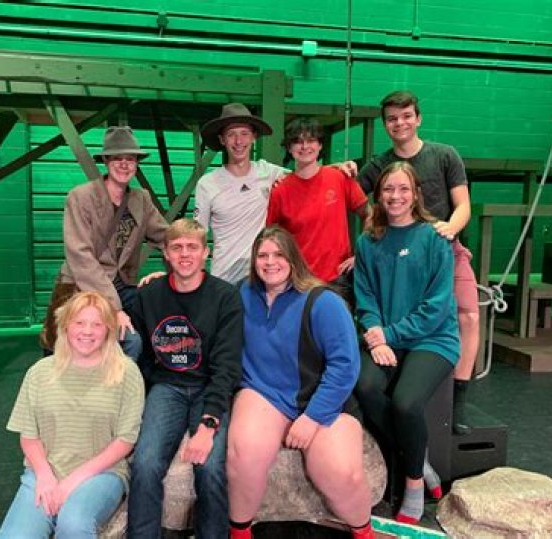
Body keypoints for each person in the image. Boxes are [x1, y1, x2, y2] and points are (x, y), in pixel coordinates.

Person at [227, 225, 375, 539]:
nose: (270, 262)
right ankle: (239, 532)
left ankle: (363, 531)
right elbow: (202, 296)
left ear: (293, 258)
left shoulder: (324, 301)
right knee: (245, 456)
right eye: (262, 255)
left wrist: (312, 418)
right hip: (264, 393)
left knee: (340, 473)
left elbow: (345, 365)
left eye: (278, 254)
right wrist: (165, 280)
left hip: (322, 400)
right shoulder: (242, 294)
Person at [357, 90, 479, 434]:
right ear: (385, 124)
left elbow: (463, 205)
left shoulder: (444, 155)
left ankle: (459, 396)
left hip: (443, 244)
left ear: (418, 118)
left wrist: (448, 230)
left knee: (468, 315)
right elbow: (350, 192)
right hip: (400, 249)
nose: (400, 123)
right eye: (392, 118)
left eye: (406, 116)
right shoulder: (379, 165)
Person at [353, 161, 460, 524]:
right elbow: (365, 297)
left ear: (416, 194)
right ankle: (417, 452)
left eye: (403, 189)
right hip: (386, 336)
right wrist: (375, 334)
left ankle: (413, 481)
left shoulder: (435, 238)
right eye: (388, 189)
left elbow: (437, 306)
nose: (395, 196)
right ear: (378, 195)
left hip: (432, 337)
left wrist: (389, 335)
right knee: (365, 386)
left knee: (405, 402)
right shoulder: (368, 242)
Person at [127, 218, 243, 539]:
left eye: (192, 247)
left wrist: (208, 424)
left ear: (205, 252)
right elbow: (135, 344)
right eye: (177, 247)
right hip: (167, 387)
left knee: (210, 468)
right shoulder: (149, 295)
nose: (185, 254)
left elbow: (227, 366)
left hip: (209, 387)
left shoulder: (225, 297)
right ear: (165, 253)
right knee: (146, 464)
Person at [0, 291, 145, 538]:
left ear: (108, 330)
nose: (87, 331)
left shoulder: (126, 373)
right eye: (79, 323)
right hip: (45, 471)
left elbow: (125, 441)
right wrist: (44, 476)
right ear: (66, 326)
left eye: (97, 324)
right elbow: (29, 436)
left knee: (74, 524)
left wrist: (71, 482)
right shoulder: (39, 373)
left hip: (102, 473)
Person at [40, 125, 169, 360]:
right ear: (106, 161)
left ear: (136, 163)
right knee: (129, 341)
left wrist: (173, 270)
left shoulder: (141, 199)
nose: (124, 164)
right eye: (117, 158)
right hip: (82, 286)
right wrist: (114, 309)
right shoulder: (81, 197)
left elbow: (167, 237)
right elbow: (81, 256)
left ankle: (146, 378)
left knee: (161, 320)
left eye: (130, 159)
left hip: (122, 285)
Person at [266, 117, 369, 308]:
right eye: (298, 141)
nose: (305, 146)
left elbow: (369, 214)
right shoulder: (280, 190)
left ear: (320, 145)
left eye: (311, 140)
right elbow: (271, 238)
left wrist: (361, 254)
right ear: (289, 148)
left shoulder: (339, 178)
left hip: (338, 280)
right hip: (297, 282)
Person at [194, 103, 289, 284]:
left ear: (254, 137)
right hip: (224, 278)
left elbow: (307, 176)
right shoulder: (207, 184)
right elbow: (197, 237)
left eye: (244, 133)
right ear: (222, 139)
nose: (238, 141)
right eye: (231, 134)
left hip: (260, 276)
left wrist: (338, 167)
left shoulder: (268, 172)